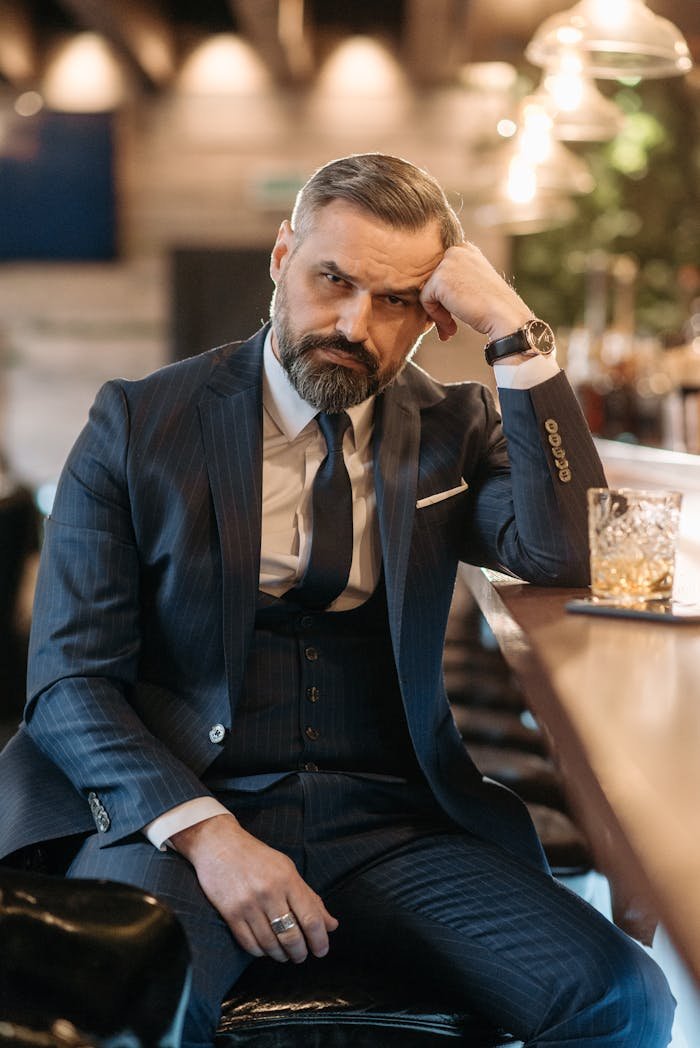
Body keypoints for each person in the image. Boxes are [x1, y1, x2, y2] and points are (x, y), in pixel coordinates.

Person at [0, 154, 674, 1048]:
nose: (355, 324)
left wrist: (516, 330)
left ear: (434, 315)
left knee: (620, 997)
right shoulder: (138, 421)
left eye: (395, 300)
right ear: (283, 255)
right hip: (185, 807)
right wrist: (210, 837)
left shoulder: (455, 427)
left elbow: (572, 550)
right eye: (334, 279)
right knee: (124, 1006)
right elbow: (68, 683)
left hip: (391, 819)